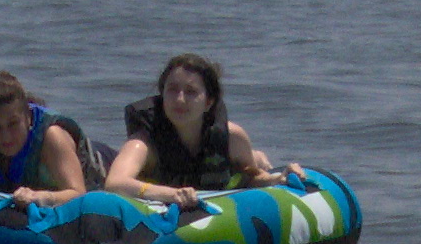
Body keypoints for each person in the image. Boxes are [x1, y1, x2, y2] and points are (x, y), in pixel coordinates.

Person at [104, 53, 304, 210]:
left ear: (209, 102)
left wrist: (277, 178)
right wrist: (169, 194)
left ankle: (257, 156)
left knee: (253, 161)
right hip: (160, 205)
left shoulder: (232, 137)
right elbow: (114, 183)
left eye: (191, 92)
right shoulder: (143, 143)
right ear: (162, 94)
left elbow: (251, 177)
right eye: (172, 89)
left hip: (226, 173)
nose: (180, 99)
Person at [0, 71, 105, 207]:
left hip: (104, 163)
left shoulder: (52, 139)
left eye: (13, 124)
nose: (6, 136)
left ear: (28, 118)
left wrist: (42, 197)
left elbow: (78, 193)